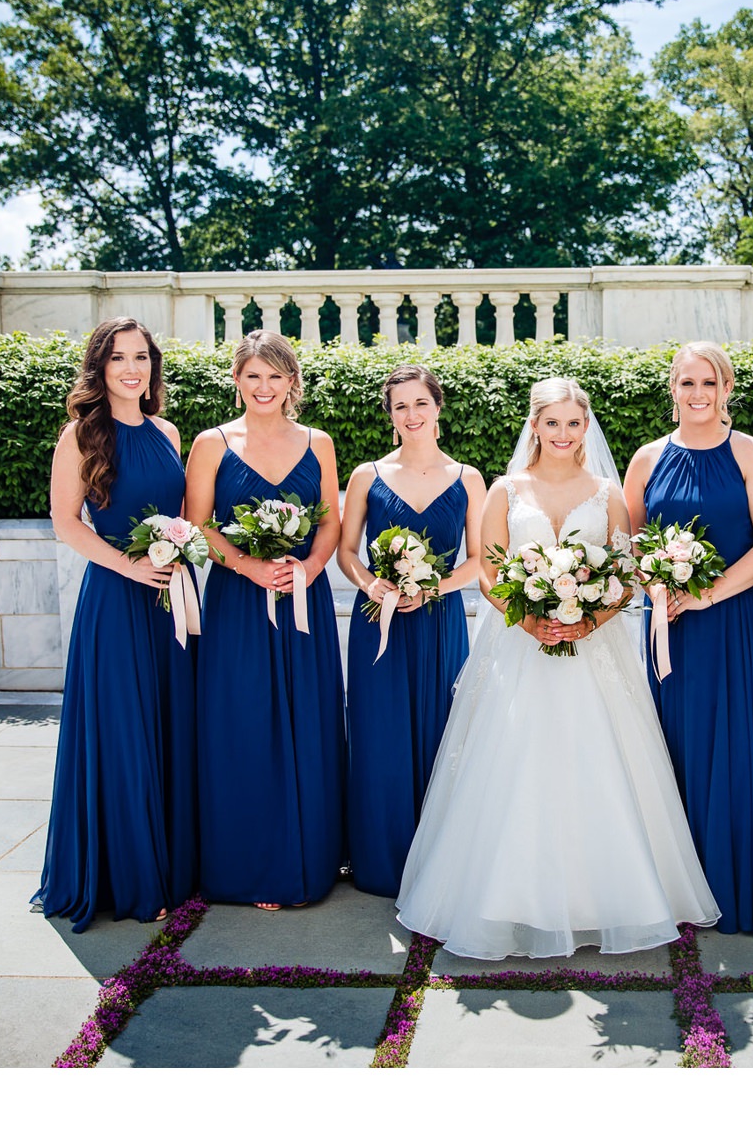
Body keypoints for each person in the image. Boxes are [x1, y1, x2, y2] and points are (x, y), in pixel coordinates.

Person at [395, 376, 720, 959]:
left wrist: (587, 622)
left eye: (574, 423)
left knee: (600, 762)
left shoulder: (607, 492)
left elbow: (626, 573)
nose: (564, 434)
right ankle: (506, 900)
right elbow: (492, 574)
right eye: (553, 423)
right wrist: (530, 622)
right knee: (515, 765)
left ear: (586, 426)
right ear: (535, 426)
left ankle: (606, 899)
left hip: (594, 648)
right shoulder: (506, 488)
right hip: (520, 646)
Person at [32, 317, 197, 932]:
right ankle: (129, 877)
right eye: (119, 358)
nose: (132, 369)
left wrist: (177, 554)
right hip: (115, 597)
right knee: (124, 730)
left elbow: (179, 514)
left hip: (171, 597)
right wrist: (130, 566)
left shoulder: (166, 431)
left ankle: (173, 868)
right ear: (99, 368)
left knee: (170, 724)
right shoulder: (80, 434)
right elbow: (66, 522)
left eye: (142, 358)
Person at [623, 342, 753, 936]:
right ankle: (674, 890)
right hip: (669, 626)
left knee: (736, 749)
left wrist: (709, 593)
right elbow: (632, 542)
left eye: (710, 383)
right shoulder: (646, 458)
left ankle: (735, 885)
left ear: (727, 389)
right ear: (673, 389)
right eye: (687, 383)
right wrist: (656, 584)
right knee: (672, 748)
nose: (698, 394)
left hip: (737, 622)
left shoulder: (749, 453)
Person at [185, 330, 346, 912]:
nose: (264, 387)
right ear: (236, 380)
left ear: (291, 382)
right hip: (238, 604)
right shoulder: (210, 443)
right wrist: (251, 568)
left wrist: (308, 567)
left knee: (310, 720)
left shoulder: (318, 442)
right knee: (242, 724)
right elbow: (197, 526)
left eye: (275, 375)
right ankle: (244, 866)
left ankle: (311, 857)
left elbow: (330, 521)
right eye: (253, 375)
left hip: (305, 601)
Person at [337, 366, 486, 897]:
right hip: (379, 621)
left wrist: (435, 588)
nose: (411, 415)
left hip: (438, 620)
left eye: (420, 403)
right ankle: (380, 861)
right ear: (390, 415)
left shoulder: (468, 478)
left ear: (438, 408)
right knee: (380, 738)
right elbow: (346, 552)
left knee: (440, 731)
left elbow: (482, 561)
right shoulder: (365, 475)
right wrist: (373, 585)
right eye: (400, 406)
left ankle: (439, 861)